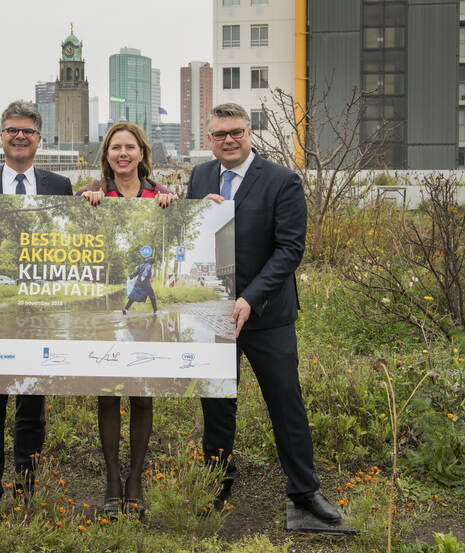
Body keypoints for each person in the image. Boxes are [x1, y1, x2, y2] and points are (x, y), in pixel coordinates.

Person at [187, 103, 341, 522]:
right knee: (217, 405)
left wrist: (249, 299)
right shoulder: (200, 177)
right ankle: (217, 483)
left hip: (267, 315)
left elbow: (290, 249)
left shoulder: (281, 181)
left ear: (250, 133)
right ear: (210, 139)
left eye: (236, 132)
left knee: (285, 403)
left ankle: (305, 491)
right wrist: (197, 214)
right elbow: (189, 238)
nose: (229, 141)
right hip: (215, 314)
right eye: (219, 134)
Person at [0, 101, 73, 520]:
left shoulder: (60, 187)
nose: (19, 136)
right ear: (1, 136)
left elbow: (72, 246)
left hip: (39, 314)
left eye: (27, 130)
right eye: (11, 130)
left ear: (40, 139)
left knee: (32, 408)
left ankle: (25, 490)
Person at [77, 121, 176, 518]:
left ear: (141, 153)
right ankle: (113, 480)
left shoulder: (161, 194)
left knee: (142, 393)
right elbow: (73, 243)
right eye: (115, 147)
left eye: (129, 147)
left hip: (145, 312)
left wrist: (175, 208)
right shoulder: (89, 194)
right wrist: (85, 208)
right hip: (105, 300)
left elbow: (182, 236)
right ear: (106, 155)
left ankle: (136, 478)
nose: (122, 153)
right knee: (108, 391)